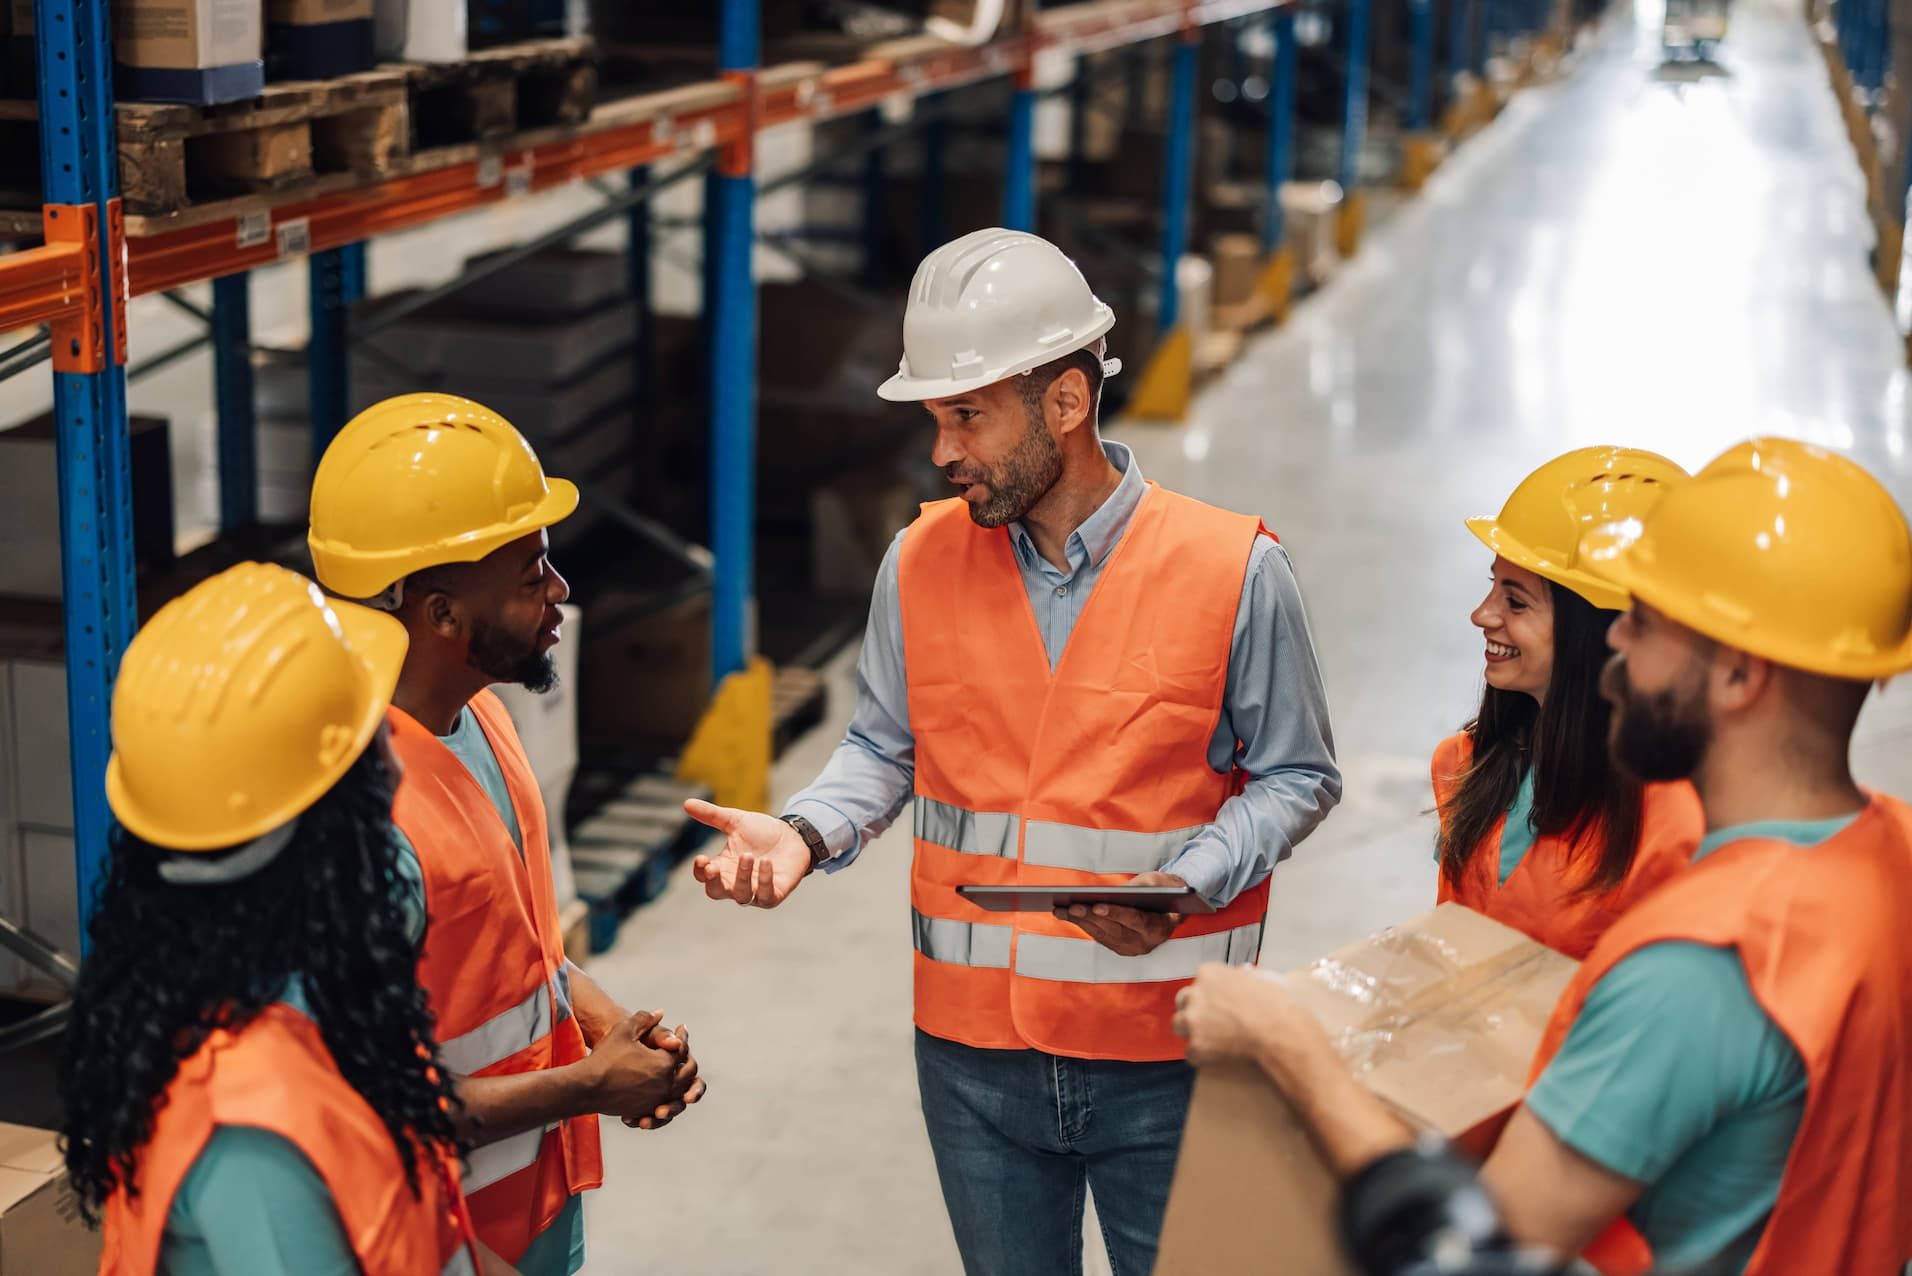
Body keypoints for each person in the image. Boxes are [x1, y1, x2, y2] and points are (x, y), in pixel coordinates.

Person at [683, 228, 1343, 1275]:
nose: (942, 450)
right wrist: (805, 831)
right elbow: (880, 747)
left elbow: (1298, 773)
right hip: (971, 1061)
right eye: (938, 417)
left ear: (1066, 403)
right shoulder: (916, 561)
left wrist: (1189, 879)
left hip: (1162, 1048)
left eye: (967, 415)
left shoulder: (1235, 570)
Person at [1174, 436, 1912, 1275]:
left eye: (1646, 623)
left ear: (1739, 675)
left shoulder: (1705, 963)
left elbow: (1471, 1253)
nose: (1617, 648)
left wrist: (1285, 1043)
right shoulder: (1889, 854)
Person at [307, 393, 706, 1275]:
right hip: (436, 1231)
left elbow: (515, 949)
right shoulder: (360, 822)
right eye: (531, 576)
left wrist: (605, 1025)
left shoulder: (481, 717)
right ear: (444, 616)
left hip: (533, 1198)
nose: (560, 592)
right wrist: (592, 1086)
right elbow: (380, 1102)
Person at [61, 562, 511, 1275]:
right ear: (335, 813)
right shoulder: (253, 1124)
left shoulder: (314, 983)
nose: (396, 760)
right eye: (376, 740)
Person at [1435, 446, 1703, 957]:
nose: (1481, 615)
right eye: (1493, 586)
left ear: (1606, 633)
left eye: (1516, 601)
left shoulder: (1674, 827)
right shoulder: (1469, 768)